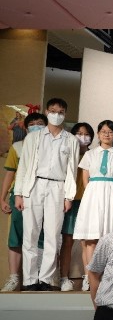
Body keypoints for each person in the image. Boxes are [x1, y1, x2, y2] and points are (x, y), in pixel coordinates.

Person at [15, 98, 80, 291]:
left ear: (65, 114)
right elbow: (23, 166)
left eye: (60, 112)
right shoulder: (33, 137)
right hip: (33, 185)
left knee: (53, 235)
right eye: (53, 111)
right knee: (30, 234)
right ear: (46, 111)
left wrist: (69, 196)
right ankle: (29, 279)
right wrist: (19, 193)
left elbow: (72, 171)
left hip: (58, 187)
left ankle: (46, 279)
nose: (56, 115)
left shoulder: (71, 140)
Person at [74, 120, 113, 291]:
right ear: (98, 134)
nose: (107, 134)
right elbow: (85, 179)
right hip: (93, 195)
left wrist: (112, 192)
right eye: (103, 131)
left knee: (111, 239)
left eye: (110, 132)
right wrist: (93, 192)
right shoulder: (90, 155)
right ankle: (89, 277)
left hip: (112, 194)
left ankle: (107, 278)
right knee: (91, 239)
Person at [0, 112, 47, 292]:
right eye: (32, 124)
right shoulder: (17, 147)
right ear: (26, 128)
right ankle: (14, 278)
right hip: (19, 196)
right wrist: (2, 198)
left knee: (41, 236)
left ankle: (39, 278)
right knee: (16, 236)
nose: (36, 126)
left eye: (40, 123)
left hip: (43, 196)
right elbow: (10, 173)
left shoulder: (51, 147)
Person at [58, 121, 94, 291]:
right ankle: (64, 277)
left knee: (86, 241)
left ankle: (88, 277)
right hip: (69, 201)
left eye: (86, 134)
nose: (82, 137)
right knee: (67, 240)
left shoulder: (93, 155)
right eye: (79, 133)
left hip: (87, 202)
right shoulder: (66, 153)